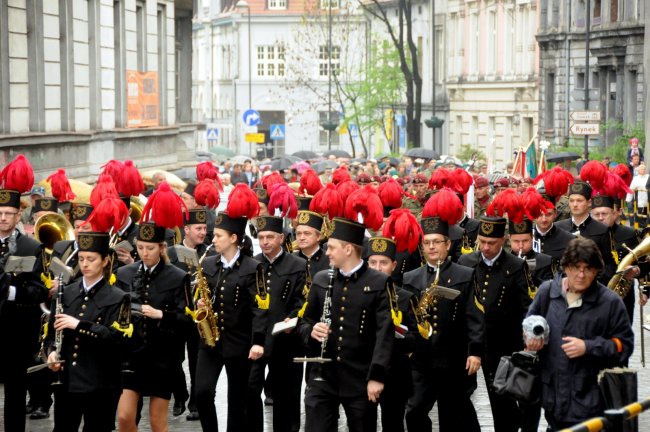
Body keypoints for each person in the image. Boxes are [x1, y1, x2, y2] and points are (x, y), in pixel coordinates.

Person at [525, 237, 634, 430]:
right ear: (566, 267)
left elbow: (624, 346)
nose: (581, 275)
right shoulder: (548, 292)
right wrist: (531, 339)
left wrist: (588, 347)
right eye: (576, 267)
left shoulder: (610, 302)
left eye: (588, 269)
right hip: (554, 400)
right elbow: (528, 324)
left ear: (596, 270)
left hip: (592, 401)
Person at [297, 216, 393, 432]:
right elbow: (305, 321)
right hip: (323, 377)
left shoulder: (378, 282)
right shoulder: (322, 279)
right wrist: (311, 331)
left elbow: (384, 334)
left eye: (331, 247)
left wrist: (376, 377)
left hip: (359, 378)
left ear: (348, 249)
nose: (327, 252)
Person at [403, 214, 484, 432]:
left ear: (447, 244)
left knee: (453, 415)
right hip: (421, 359)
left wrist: (474, 352)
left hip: (454, 358)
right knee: (415, 409)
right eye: (426, 243)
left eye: (436, 242)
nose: (431, 247)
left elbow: (474, 316)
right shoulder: (410, 278)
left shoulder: (465, 274)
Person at [45, 231, 131, 432]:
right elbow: (50, 333)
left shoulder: (119, 297)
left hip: (101, 383)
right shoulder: (65, 293)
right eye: (82, 259)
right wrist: (50, 353)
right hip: (67, 382)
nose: (84, 264)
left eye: (91, 259)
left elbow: (116, 338)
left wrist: (79, 325)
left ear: (105, 261)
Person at [194, 206, 269, 431]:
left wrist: (257, 341)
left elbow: (260, 308)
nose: (213, 239)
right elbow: (200, 295)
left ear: (233, 238)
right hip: (210, 342)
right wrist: (199, 304)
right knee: (202, 392)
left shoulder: (253, 267)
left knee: (238, 401)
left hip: (240, 342)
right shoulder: (207, 263)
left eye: (218, 236)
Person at [457, 216, 534, 432]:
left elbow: (525, 306)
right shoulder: (466, 262)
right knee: (460, 393)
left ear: (502, 241)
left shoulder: (516, 266)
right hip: (471, 341)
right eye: (482, 241)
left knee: (501, 397)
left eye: (491, 243)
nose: (485, 247)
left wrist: (525, 339)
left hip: (502, 342)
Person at [115, 215, 191, 432]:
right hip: (131, 356)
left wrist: (161, 315)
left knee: (158, 422)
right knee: (124, 416)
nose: (144, 253)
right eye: (140, 247)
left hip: (162, 357)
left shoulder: (178, 276)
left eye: (150, 248)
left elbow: (187, 320)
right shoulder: (124, 273)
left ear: (162, 248)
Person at [0, 167, 48, 432]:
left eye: (9, 213)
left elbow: (40, 291)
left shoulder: (32, 247)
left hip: (17, 332)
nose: (3, 218)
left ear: (19, 215)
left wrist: (11, 292)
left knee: (16, 395)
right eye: (0, 213)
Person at [249, 215, 306, 432]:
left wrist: (293, 317)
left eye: (270, 237)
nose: (265, 242)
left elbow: (302, 298)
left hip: (285, 338)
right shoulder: (253, 263)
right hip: (259, 337)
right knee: (251, 388)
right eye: (262, 237)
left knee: (286, 394)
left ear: (281, 238)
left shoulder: (298, 264)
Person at [166, 208, 216, 421]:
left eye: (205, 228)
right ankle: (180, 395)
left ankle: (195, 401)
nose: (203, 232)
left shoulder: (211, 253)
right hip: (178, 313)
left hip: (198, 314)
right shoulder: (170, 253)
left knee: (197, 360)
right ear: (186, 230)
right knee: (173, 359)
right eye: (198, 228)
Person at [365, 236, 418, 432]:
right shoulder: (358, 294)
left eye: (383, 263)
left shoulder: (405, 298)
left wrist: (396, 335)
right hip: (364, 371)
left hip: (396, 372)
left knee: (393, 424)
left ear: (393, 265)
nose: (378, 268)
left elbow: (416, 338)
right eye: (373, 263)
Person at [555, 182, 617, 285]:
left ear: (589, 203)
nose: (575, 204)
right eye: (571, 201)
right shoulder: (558, 227)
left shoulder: (602, 230)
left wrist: (592, 283)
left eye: (579, 200)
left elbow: (609, 265)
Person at [590, 195, 640, 322]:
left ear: (614, 214)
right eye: (597, 214)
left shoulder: (628, 233)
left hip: (623, 295)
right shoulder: (586, 234)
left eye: (604, 214)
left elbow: (643, 262)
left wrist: (636, 270)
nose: (600, 218)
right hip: (593, 293)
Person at [533, 200, 575, 276]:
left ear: (555, 214)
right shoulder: (525, 238)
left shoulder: (569, 239)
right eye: (539, 214)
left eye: (548, 214)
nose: (544, 219)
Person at [509, 217, 554, 288]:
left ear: (532, 238)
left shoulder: (545, 261)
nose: (521, 246)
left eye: (525, 241)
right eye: (516, 241)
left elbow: (550, 289)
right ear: (509, 239)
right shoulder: (503, 261)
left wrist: (529, 276)